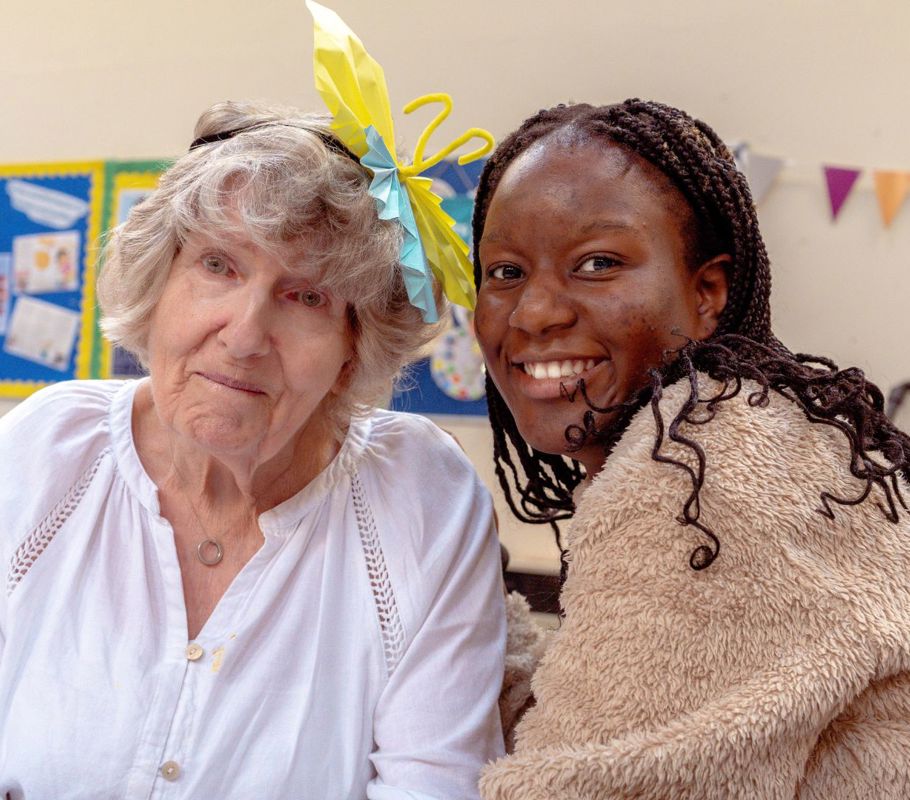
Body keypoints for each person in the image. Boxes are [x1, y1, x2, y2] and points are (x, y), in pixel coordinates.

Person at [0, 100, 506, 798]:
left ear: (353, 346)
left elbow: (436, 782)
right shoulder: (49, 448)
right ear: (159, 281)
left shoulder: (419, 496)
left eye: (307, 297)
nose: (243, 337)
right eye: (219, 265)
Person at [470, 99, 910, 798]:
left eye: (597, 262)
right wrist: (467, 617)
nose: (535, 312)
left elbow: (588, 785)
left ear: (707, 293)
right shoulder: (755, 433)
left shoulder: (698, 473)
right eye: (504, 272)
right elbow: (607, 730)